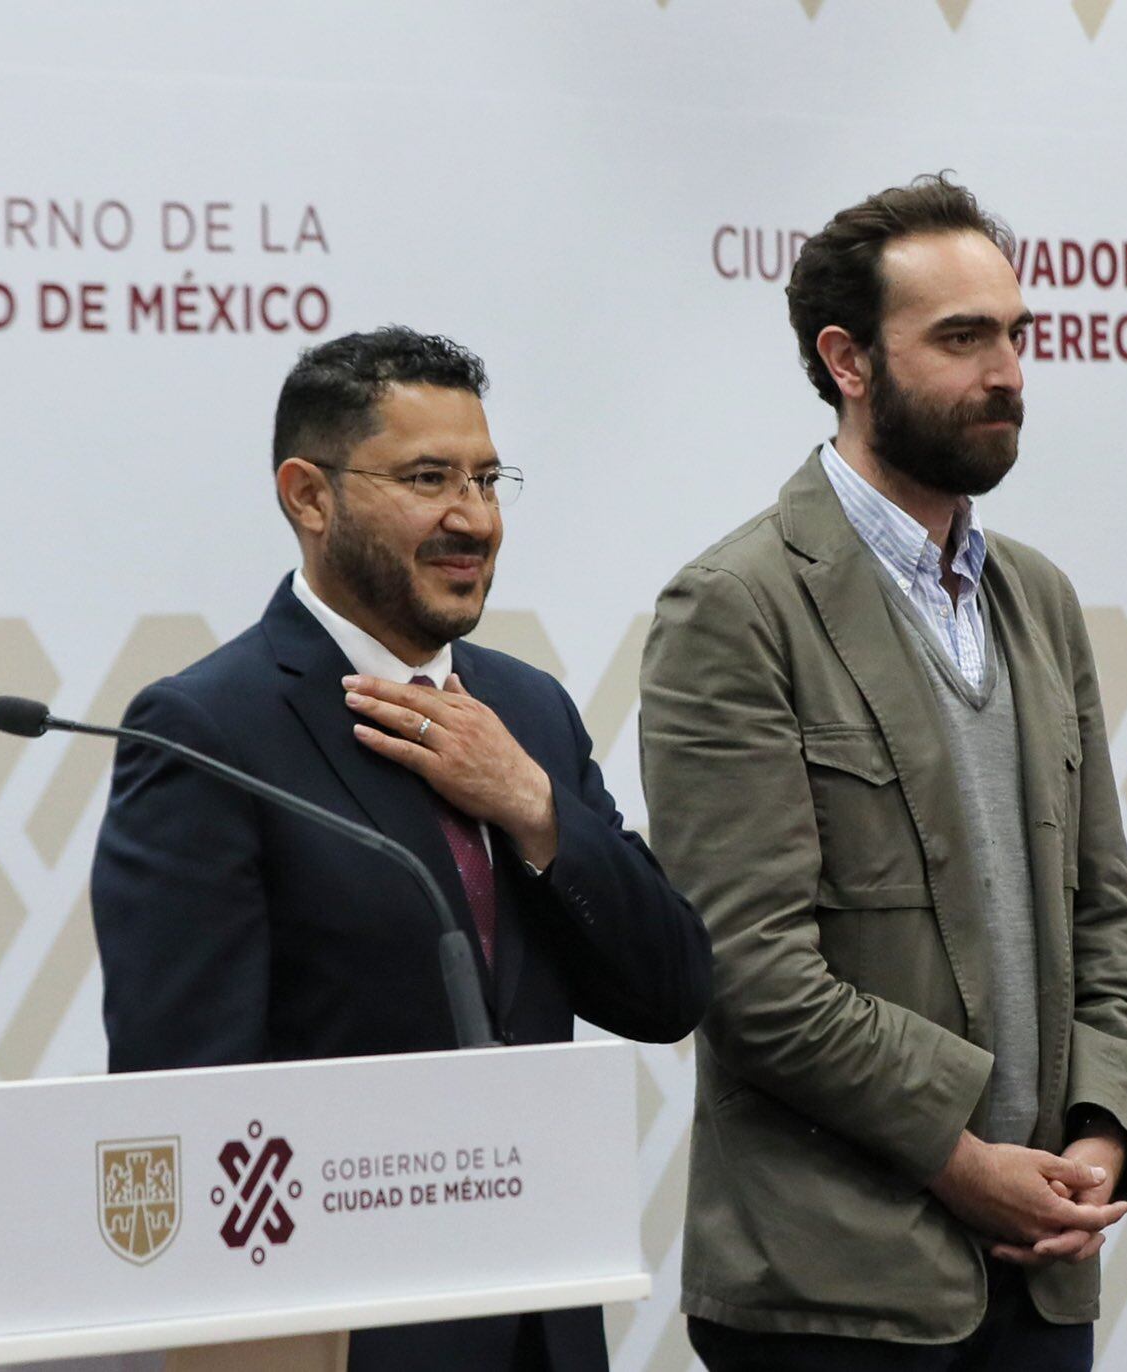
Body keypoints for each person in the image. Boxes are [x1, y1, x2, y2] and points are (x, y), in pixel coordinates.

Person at [90, 326, 713, 1371]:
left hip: (544, 1332)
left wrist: (529, 803)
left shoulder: (527, 711)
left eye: (485, 477)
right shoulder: (204, 731)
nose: (472, 517)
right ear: (307, 494)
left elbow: (668, 989)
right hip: (346, 1340)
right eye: (427, 478)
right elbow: (184, 1101)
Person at [640, 176, 1127, 1371]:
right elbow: (750, 972)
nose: (1008, 373)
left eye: (1015, 335)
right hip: (829, 1298)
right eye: (960, 338)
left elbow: (1105, 931)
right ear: (847, 360)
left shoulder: (1037, 597)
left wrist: (1099, 1140)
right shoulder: (735, 607)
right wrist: (962, 1162)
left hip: (1041, 1280)